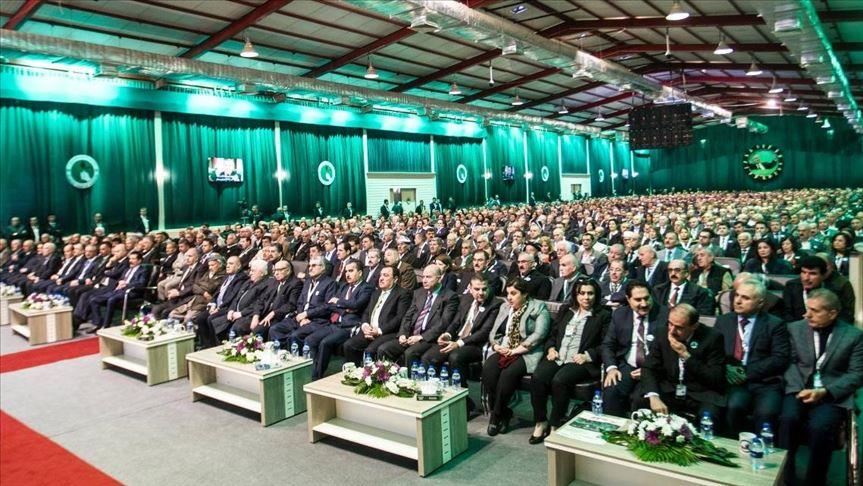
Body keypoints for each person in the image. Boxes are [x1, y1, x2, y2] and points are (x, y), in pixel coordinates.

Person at [779, 289, 863, 486]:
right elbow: (790, 363)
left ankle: (815, 480)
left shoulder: (854, 336)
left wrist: (825, 392)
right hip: (799, 388)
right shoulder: (794, 329)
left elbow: (857, 374)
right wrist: (797, 389)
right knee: (788, 419)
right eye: (807, 309)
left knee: (820, 428)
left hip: (832, 393)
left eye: (814, 311)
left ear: (832, 313)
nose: (806, 315)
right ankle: (785, 477)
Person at [529, 278, 610, 443]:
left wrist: (588, 355)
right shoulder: (566, 310)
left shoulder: (603, 315)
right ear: (576, 294)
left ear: (596, 295)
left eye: (590, 293)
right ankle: (541, 422)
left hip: (582, 360)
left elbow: (606, 344)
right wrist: (551, 348)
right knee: (538, 377)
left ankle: (555, 424)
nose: (586, 297)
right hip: (558, 356)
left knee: (560, 380)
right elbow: (552, 335)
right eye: (582, 293)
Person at [715, 278, 789, 434]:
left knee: (766, 414)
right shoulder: (723, 321)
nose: (738, 301)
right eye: (737, 295)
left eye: (745, 298)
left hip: (766, 382)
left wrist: (746, 372)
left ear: (760, 303)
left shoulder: (775, 324)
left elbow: (779, 358)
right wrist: (726, 369)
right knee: (734, 407)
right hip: (734, 380)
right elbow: (715, 352)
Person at [482, 277, 551, 436]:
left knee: (508, 375)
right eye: (507, 294)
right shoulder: (505, 307)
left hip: (527, 352)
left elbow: (540, 334)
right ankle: (505, 412)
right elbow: (494, 332)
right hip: (504, 349)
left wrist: (516, 350)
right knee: (488, 370)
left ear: (525, 294)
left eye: (514, 293)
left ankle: (496, 415)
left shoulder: (538, 307)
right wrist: (496, 345)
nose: (509, 298)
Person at [639, 303, 726, 419]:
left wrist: (686, 355)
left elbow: (715, 378)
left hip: (699, 392)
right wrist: (653, 396)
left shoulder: (713, 337)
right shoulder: (661, 333)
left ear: (694, 326)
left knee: (709, 416)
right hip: (670, 388)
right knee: (640, 401)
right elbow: (649, 368)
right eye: (670, 324)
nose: (672, 331)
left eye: (679, 327)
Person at [421, 273, 502, 388]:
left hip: (476, 345)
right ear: (470, 288)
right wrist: (447, 335)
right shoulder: (466, 299)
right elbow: (456, 322)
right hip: (456, 340)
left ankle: (462, 393)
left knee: (455, 357)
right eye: (477, 289)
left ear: (489, 288)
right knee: (428, 357)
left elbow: (484, 332)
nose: (481, 293)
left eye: (484, 289)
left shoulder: (495, 304)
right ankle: (432, 389)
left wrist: (459, 343)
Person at [601, 280, 669, 417]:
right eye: (638, 300)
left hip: (654, 369)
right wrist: (612, 368)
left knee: (640, 400)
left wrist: (649, 370)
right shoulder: (620, 314)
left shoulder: (665, 315)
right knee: (611, 391)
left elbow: (669, 352)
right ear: (628, 299)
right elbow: (608, 345)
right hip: (627, 366)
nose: (644, 304)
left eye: (647, 298)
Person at [304, 259, 373, 379]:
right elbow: (331, 305)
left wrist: (339, 302)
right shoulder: (343, 286)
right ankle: (311, 371)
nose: (347, 274)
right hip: (334, 324)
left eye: (351, 271)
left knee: (325, 343)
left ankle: (316, 377)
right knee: (310, 340)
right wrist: (345, 308)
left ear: (360, 273)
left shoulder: (366, 288)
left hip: (349, 326)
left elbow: (356, 305)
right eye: (346, 271)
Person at [378, 264, 459, 365]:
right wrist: (403, 333)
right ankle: (387, 374)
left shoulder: (450, 297)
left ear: (439, 278)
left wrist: (421, 337)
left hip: (429, 338)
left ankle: (409, 376)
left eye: (428, 277)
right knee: (384, 349)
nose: (424, 280)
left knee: (410, 353)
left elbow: (443, 323)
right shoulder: (418, 293)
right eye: (423, 277)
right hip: (411, 335)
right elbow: (408, 316)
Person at [342, 265, 411, 365]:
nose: (381, 278)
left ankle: (370, 374)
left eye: (386, 275)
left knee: (370, 351)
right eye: (381, 275)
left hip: (387, 332)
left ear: (395, 279)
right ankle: (355, 372)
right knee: (349, 345)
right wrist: (365, 325)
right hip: (370, 330)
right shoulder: (376, 292)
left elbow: (399, 318)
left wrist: (378, 331)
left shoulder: (402, 294)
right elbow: (367, 312)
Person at [268, 256, 337, 348]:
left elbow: (327, 306)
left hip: (317, 320)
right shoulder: (308, 282)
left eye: (314, 265)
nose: (310, 268)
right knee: (275, 329)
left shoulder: (330, 283)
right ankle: (282, 352)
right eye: (309, 266)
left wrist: (307, 314)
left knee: (295, 335)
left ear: (322, 268)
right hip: (300, 317)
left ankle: (292, 354)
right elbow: (300, 302)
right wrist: (301, 317)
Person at [195, 256, 249, 348]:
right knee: (200, 317)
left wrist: (219, 308)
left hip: (227, 307)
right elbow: (217, 293)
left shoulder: (241, 278)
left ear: (238, 266)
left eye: (231, 264)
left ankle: (215, 346)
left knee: (211, 319)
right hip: (218, 306)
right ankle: (206, 345)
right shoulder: (226, 277)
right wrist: (213, 303)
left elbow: (232, 296)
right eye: (227, 263)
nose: (227, 266)